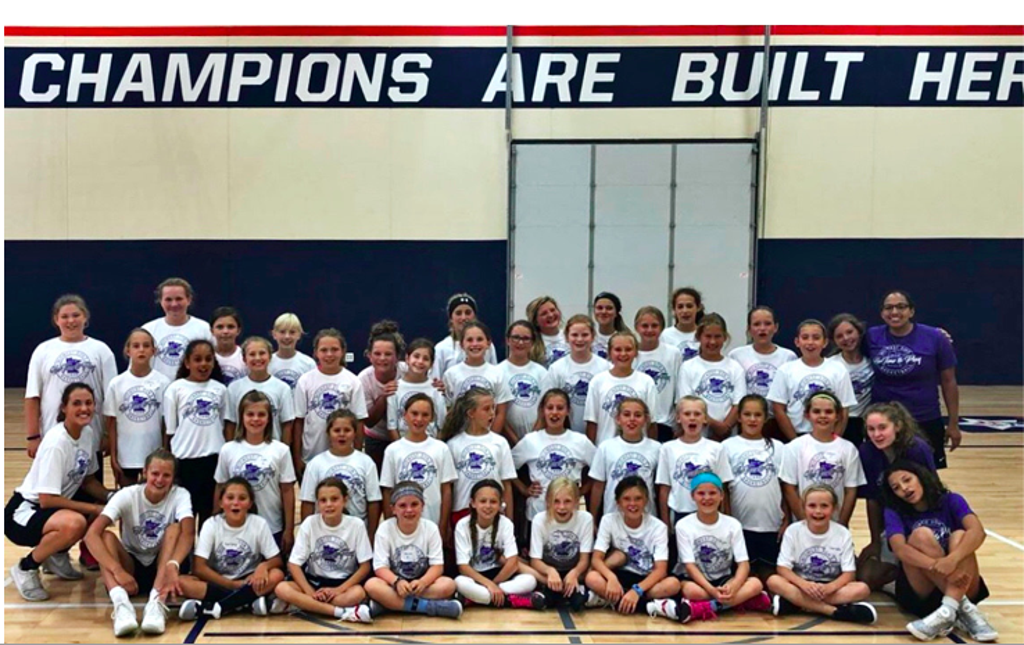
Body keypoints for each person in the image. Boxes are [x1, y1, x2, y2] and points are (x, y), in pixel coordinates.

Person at [6, 383, 113, 601]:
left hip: (51, 508)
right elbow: (47, 500)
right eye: (77, 403)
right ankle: (26, 567)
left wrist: (112, 497)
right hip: (23, 513)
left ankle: (56, 555)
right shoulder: (57, 443)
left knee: (99, 510)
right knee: (75, 522)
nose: (84, 408)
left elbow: (88, 481)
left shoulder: (87, 433)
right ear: (64, 408)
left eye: (89, 403)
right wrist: (95, 508)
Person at [882, 461, 996, 642]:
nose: (904, 488)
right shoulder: (893, 511)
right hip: (925, 590)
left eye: (907, 480)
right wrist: (938, 565)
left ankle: (947, 611)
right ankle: (965, 609)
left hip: (962, 581)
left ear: (921, 477)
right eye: (896, 488)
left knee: (960, 536)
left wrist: (952, 560)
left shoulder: (951, 500)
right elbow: (900, 549)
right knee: (920, 535)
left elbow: (978, 532)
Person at [85, 449, 194, 636]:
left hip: (162, 564)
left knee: (175, 529)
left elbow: (188, 533)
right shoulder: (127, 495)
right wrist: (117, 570)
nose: (159, 480)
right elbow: (91, 535)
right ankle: (121, 604)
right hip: (132, 567)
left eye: (166, 475)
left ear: (173, 478)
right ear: (145, 472)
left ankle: (156, 601)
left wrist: (174, 564)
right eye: (155, 474)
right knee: (105, 537)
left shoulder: (180, 494)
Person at [654, 472, 770, 622]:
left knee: (756, 584)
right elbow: (689, 566)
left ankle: (706, 607)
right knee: (692, 592)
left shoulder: (733, 524)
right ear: (693, 496)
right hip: (696, 582)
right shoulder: (683, 525)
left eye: (713, 493)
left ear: (721, 496)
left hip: (723, 580)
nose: (707, 498)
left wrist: (734, 586)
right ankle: (738, 602)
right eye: (701, 493)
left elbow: (743, 564)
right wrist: (712, 591)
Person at [866, 290, 960, 469]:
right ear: (882, 313)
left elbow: (949, 382)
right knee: (882, 474)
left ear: (911, 311)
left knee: (925, 476)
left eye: (901, 307)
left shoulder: (935, 338)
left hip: (924, 418)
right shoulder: (871, 336)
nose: (894, 312)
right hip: (883, 421)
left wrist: (953, 423)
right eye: (889, 308)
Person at [176, 477, 285, 621]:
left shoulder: (259, 524)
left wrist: (263, 566)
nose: (236, 503)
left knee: (277, 574)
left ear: (250, 503)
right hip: (218, 581)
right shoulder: (211, 524)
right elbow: (199, 568)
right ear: (221, 502)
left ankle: (217, 607)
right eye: (230, 498)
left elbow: (277, 560)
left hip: (249, 581)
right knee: (181, 582)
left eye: (242, 498)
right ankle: (245, 603)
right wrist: (231, 584)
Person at [767, 485, 876, 624]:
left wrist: (830, 588)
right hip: (802, 585)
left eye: (824, 506)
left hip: (831, 587)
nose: (818, 511)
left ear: (834, 508)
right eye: (812, 506)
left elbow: (849, 574)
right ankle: (833, 611)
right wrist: (804, 585)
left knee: (862, 589)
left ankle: (798, 604)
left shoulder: (843, 533)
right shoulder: (793, 531)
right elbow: (783, 568)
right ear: (803, 507)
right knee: (774, 581)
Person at [25, 294, 117, 459]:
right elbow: (32, 396)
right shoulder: (43, 350)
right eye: (65, 316)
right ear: (56, 320)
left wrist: (108, 435)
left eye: (76, 315)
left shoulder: (101, 350)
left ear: (85, 317)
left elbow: (111, 398)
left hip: (92, 437)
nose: (71, 321)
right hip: (52, 437)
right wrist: (33, 436)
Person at [856, 401, 936, 591]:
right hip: (893, 524)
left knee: (923, 569)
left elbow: (933, 491)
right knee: (866, 578)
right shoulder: (867, 452)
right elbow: (872, 499)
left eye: (882, 427)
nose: (877, 434)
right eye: (871, 429)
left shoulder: (917, 449)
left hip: (920, 523)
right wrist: (876, 541)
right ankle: (899, 578)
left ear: (897, 426)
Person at [272, 478, 374, 623]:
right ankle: (341, 612)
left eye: (334, 499)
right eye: (323, 500)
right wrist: (310, 593)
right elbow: (293, 564)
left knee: (358, 593)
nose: (329, 504)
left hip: (342, 585)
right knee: (281, 588)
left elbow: (365, 567)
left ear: (345, 500)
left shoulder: (356, 525)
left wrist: (338, 590)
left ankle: (303, 605)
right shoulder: (309, 523)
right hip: (313, 582)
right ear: (318, 503)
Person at [364, 481, 463, 619]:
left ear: (422, 506)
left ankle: (388, 605)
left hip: (422, 585)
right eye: (402, 505)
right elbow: (380, 567)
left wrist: (423, 582)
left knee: (448, 584)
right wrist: (397, 582)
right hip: (395, 584)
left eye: (414, 504)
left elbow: (437, 566)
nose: (409, 510)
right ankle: (429, 607)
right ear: (393, 509)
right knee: (372, 585)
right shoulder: (385, 528)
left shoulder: (431, 528)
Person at [214, 390, 296, 554]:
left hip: (273, 525)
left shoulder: (281, 450)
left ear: (269, 418)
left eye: (261, 414)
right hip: (237, 527)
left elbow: (287, 491)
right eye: (250, 414)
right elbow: (220, 487)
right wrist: (216, 520)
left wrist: (289, 529)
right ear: (241, 417)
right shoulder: (228, 450)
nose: (256, 419)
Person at [584, 477, 679, 614]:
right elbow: (596, 559)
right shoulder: (608, 520)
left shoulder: (658, 527)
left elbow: (661, 570)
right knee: (592, 577)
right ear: (618, 502)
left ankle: (612, 600)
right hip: (619, 576)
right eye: (626, 499)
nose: (632, 504)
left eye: (638, 499)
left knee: (673, 584)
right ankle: (648, 606)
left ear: (646, 501)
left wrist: (637, 590)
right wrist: (611, 578)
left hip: (645, 580)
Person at [722, 395, 788, 581]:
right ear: (739, 417)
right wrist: (727, 520)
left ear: (765, 418)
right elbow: (723, 489)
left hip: (771, 524)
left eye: (758, 415)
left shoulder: (779, 448)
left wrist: (787, 519)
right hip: (740, 524)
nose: (752, 419)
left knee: (770, 574)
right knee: (744, 574)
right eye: (747, 414)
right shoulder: (727, 446)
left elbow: (785, 486)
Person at [163, 339, 227, 527]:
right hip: (184, 462)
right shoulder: (175, 389)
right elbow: (170, 431)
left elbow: (225, 426)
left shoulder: (220, 390)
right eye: (197, 359)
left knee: (209, 518)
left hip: (213, 461)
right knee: (185, 519)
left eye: (208, 359)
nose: (203, 364)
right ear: (187, 363)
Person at [454, 480, 545, 609]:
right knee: (459, 582)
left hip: (500, 577)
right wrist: (488, 584)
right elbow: (463, 567)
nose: (488, 506)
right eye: (483, 501)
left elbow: (512, 562)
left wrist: (495, 585)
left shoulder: (506, 523)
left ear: (500, 504)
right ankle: (509, 600)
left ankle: (476, 599)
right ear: (473, 503)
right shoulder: (462, 525)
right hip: (476, 578)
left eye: (493, 502)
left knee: (530, 580)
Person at [512, 389, 596, 530]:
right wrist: (524, 489)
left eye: (560, 408)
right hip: (538, 513)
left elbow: (600, 469)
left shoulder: (580, 441)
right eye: (550, 408)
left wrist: (582, 490)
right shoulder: (530, 440)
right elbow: (506, 467)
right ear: (542, 411)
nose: (555, 412)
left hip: (570, 515)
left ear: (568, 411)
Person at [780, 392, 865, 527]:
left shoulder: (848, 449)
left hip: (836, 524)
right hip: (803, 525)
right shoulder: (794, 447)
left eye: (829, 412)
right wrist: (805, 522)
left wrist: (842, 524)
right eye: (817, 411)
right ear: (807, 415)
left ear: (838, 416)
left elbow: (851, 491)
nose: (823, 416)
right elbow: (789, 489)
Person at [293, 329, 368, 475]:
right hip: (312, 455)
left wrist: (358, 455)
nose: (329, 354)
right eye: (324, 350)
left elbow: (359, 422)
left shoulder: (353, 381)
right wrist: (297, 458)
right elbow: (299, 421)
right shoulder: (305, 381)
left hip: (345, 459)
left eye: (334, 349)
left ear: (343, 352)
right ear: (316, 353)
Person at [380, 394, 457, 535]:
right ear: (405, 415)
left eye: (425, 415)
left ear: (432, 418)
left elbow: (446, 490)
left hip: (433, 521)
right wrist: (390, 523)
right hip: (402, 525)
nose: (419, 419)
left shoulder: (441, 448)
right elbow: (387, 490)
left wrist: (443, 525)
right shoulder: (393, 450)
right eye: (414, 413)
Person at [767, 319, 857, 440]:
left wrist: (833, 441)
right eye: (805, 338)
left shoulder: (838, 370)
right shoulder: (785, 370)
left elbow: (844, 409)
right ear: (797, 342)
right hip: (796, 435)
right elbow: (778, 409)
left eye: (816, 338)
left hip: (829, 435)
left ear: (825, 342)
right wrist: (795, 442)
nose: (810, 342)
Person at [300, 410, 382, 541]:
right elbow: (307, 502)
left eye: (347, 430)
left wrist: (371, 535)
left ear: (355, 433)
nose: (342, 434)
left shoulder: (366, 462)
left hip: (357, 533)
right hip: (324, 532)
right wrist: (306, 536)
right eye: (337, 430)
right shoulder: (315, 464)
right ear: (328, 433)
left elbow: (374, 501)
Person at [441, 388, 517, 529]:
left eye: (493, 408)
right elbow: (448, 488)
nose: (492, 413)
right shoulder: (453, 444)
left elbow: (506, 484)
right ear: (471, 413)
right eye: (486, 409)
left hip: (493, 511)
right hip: (462, 510)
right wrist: (446, 524)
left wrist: (510, 521)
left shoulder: (500, 443)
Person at [104, 328, 171, 488]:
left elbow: (165, 424)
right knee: (128, 498)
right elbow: (111, 423)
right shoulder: (117, 384)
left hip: (154, 455)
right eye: (136, 346)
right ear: (128, 351)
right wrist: (113, 455)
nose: (141, 350)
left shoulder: (163, 382)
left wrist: (166, 452)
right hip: (126, 456)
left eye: (146, 346)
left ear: (153, 351)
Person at [656, 396, 734, 529]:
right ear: (678, 418)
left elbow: (723, 487)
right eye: (687, 414)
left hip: (709, 512)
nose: (692, 418)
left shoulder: (717, 448)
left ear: (705, 419)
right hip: (680, 512)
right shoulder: (667, 448)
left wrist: (725, 517)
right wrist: (665, 523)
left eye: (697, 414)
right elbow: (664, 489)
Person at [728, 306, 797, 440]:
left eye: (767, 324)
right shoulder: (736, 355)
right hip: (747, 421)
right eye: (756, 324)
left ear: (775, 327)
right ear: (749, 329)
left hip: (776, 421)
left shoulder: (788, 356)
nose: (762, 328)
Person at [589, 397, 661, 524]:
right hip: (613, 518)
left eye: (638, 415)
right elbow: (598, 487)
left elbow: (660, 489)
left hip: (646, 519)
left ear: (645, 420)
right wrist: (593, 519)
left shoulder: (657, 448)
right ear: (618, 419)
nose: (632, 419)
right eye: (626, 415)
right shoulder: (606, 447)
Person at [677, 313, 746, 440]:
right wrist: (714, 425)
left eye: (717, 336)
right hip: (698, 436)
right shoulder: (688, 367)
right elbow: (686, 403)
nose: (713, 342)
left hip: (728, 436)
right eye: (708, 336)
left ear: (725, 337)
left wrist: (725, 427)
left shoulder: (735, 367)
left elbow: (739, 404)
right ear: (699, 337)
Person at [529, 477, 593, 611]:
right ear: (548, 502)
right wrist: (550, 571)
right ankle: (552, 593)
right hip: (548, 573)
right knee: (525, 569)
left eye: (567, 501)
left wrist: (575, 573)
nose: (561, 507)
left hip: (575, 571)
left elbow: (584, 560)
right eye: (556, 501)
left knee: (579, 598)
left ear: (576, 502)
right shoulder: (539, 520)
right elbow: (535, 561)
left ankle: (580, 594)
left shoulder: (586, 519)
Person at [584, 330, 657, 446]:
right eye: (618, 349)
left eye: (628, 349)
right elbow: (592, 422)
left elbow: (651, 423)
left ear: (636, 352)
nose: (623, 354)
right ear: (609, 352)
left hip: (638, 449)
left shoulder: (646, 382)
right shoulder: (598, 381)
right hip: (605, 449)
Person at [441, 321, 512, 434]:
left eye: (479, 339)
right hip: (459, 436)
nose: (474, 344)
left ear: (488, 343)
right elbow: (448, 410)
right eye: (469, 340)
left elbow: (500, 413)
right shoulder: (451, 374)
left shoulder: (498, 374)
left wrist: (490, 438)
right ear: (462, 345)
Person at [545, 314, 610, 434]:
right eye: (574, 335)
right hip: (566, 434)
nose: (579, 339)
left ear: (593, 337)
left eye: (585, 335)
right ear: (566, 337)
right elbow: (549, 404)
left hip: (599, 433)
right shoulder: (556, 369)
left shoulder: (605, 367)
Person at [224, 336, 296, 444]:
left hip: (272, 448)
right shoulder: (234, 388)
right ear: (244, 359)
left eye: (262, 353)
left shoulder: (282, 388)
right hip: (242, 449)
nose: (257, 358)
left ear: (270, 357)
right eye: (252, 354)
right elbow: (231, 424)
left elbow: (287, 425)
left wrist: (284, 450)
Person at [142, 277, 214, 381]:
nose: (174, 304)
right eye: (168, 299)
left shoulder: (204, 329)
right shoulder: (148, 330)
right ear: (160, 301)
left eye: (179, 299)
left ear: (189, 300)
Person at [359, 321, 407, 469]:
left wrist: (436, 385)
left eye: (388, 354)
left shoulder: (408, 371)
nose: (382, 358)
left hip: (405, 436)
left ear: (397, 357)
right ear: (369, 356)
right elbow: (369, 421)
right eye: (377, 354)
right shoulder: (363, 379)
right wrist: (384, 396)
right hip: (377, 438)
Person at [633, 306, 683, 443]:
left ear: (662, 328)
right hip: (636, 423)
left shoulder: (673, 354)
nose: (649, 330)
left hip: (665, 423)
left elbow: (679, 390)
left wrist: (679, 420)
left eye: (654, 326)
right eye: (645, 326)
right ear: (636, 327)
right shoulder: (631, 354)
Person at [387, 338, 448, 443]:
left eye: (426, 359)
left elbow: (442, 426)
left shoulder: (436, 389)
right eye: (416, 356)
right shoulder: (395, 389)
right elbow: (392, 426)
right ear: (407, 358)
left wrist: (434, 447)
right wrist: (401, 447)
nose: (420, 361)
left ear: (432, 364)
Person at [498, 320, 549, 445]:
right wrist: (516, 441)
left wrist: (530, 440)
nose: (520, 342)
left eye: (526, 338)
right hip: (508, 441)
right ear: (507, 340)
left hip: (537, 440)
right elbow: (498, 412)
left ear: (532, 342)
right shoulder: (497, 371)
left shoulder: (541, 372)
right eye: (516, 337)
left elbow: (545, 409)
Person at [827, 313, 874, 447]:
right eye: (839, 336)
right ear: (833, 340)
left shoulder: (872, 361)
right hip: (841, 421)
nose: (846, 338)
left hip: (866, 420)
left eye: (849, 332)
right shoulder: (830, 365)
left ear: (859, 332)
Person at [432, 293, 498, 380]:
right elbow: (435, 381)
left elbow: (495, 377)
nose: (463, 317)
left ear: (475, 316)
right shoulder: (441, 349)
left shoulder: (486, 345)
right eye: (458, 313)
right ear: (451, 318)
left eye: (468, 313)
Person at [268, 312, 317, 390]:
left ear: (299, 335)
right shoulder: (267, 363)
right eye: (282, 332)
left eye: (292, 332)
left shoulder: (308, 364)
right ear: (274, 334)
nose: (287, 337)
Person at [660, 287, 704, 362]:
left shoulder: (705, 334)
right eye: (680, 307)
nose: (685, 311)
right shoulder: (665, 336)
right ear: (674, 309)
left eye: (689, 306)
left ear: (698, 307)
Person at [526, 295, 570, 367]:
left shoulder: (571, 336)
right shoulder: (530, 343)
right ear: (535, 321)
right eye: (544, 313)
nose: (550, 315)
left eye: (553, 310)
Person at [211, 307, 247, 385]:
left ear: (238, 330)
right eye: (220, 327)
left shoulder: (245, 356)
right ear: (212, 330)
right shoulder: (207, 357)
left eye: (230, 327)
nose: (225, 331)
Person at [592, 292, 626, 359]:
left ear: (616, 313)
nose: (604, 312)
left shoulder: (624, 339)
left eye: (609, 308)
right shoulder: (588, 338)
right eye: (599, 308)